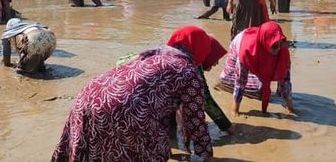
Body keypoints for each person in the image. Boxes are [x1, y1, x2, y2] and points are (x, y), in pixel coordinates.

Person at [51, 27, 219, 162]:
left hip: (88, 96)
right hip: (124, 108)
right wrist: (206, 154)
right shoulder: (187, 70)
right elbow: (195, 119)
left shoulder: (153, 52)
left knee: (93, 151)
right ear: (201, 48)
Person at [166, 26, 234, 144]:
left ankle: (171, 141)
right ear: (204, 50)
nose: (216, 63)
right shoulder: (189, 66)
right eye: (215, 58)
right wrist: (227, 126)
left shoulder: (174, 53)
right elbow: (204, 99)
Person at [219, 21, 292, 116]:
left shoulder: (282, 51)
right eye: (274, 46)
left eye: (280, 44)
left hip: (259, 49)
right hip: (242, 43)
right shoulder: (246, 52)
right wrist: (235, 110)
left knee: (260, 89)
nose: (278, 49)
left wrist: (289, 107)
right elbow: (240, 80)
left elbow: (285, 80)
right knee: (228, 80)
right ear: (266, 43)